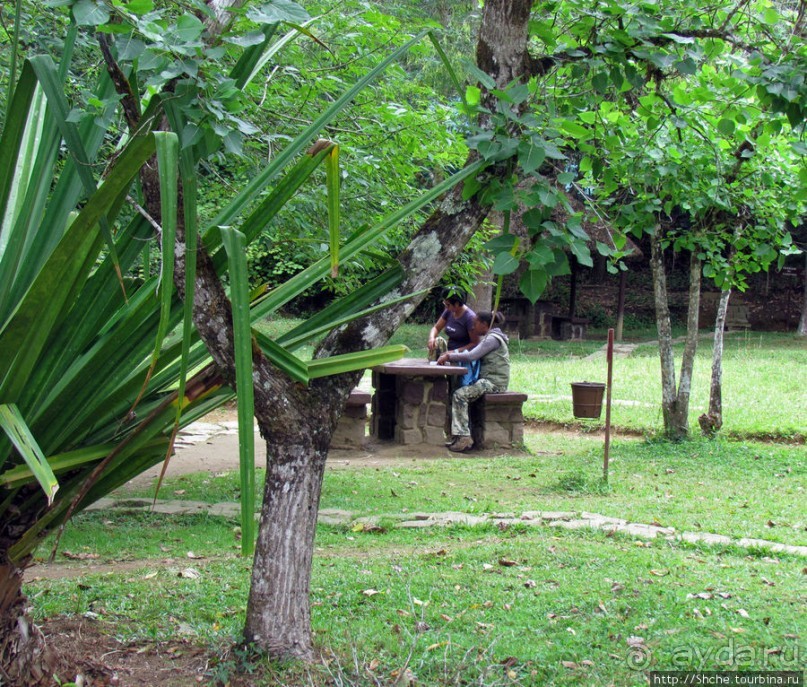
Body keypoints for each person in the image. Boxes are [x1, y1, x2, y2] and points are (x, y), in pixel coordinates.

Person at [437, 311, 510, 452]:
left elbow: (471, 356)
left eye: (475, 323)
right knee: (459, 391)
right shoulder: (492, 337)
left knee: (460, 395)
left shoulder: (492, 339)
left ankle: (464, 437)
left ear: (484, 324)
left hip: (494, 383)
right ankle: (458, 435)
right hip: (489, 380)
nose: (472, 327)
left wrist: (449, 356)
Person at [427, 290, 477, 355]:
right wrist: (431, 338)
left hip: (463, 355)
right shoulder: (449, 311)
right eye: (445, 304)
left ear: (457, 304)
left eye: (448, 305)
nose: (446, 307)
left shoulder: (470, 318)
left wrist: (454, 352)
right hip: (448, 352)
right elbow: (436, 328)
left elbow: (475, 343)